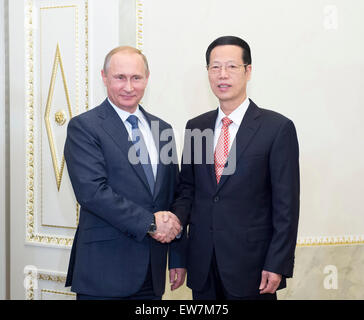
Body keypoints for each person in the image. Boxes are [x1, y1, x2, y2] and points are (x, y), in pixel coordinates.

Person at [172, 36, 300, 300]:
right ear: (207, 72)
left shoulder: (277, 128)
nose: (222, 75)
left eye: (231, 66)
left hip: (252, 267)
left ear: (248, 70)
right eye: (215, 67)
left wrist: (277, 263)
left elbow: (286, 204)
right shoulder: (197, 127)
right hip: (203, 265)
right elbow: (188, 190)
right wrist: (174, 233)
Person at [64, 46, 186, 300]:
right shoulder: (85, 127)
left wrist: (177, 255)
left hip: (152, 274)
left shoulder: (162, 129)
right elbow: (92, 192)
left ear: (147, 79)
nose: (129, 87)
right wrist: (151, 223)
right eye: (120, 77)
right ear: (105, 77)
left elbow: (173, 193)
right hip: (103, 274)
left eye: (136, 78)